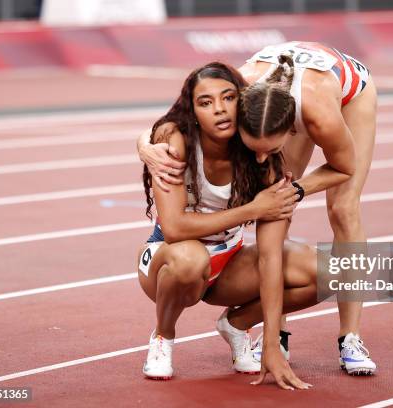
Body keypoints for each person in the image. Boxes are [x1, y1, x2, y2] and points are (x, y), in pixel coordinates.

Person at [138, 41, 378, 377]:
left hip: (344, 86)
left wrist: (292, 190)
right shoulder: (226, 101)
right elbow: (178, 114)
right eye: (256, 150)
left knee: (342, 215)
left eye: (273, 149)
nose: (262, 158)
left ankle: (344, 336)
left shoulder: (305, 123)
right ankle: (175, 336)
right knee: (222, 242)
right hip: (179, 255)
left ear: (289, 131)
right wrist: (146, 146)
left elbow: (343, 168)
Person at [137, 61, 317, 390]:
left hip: (228, 263)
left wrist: (273, 342)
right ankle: (163, 335)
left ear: (242, 101)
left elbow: (270, 255)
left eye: (228, 98)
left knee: (328, 272)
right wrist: (252, 208)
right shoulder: (174, 140)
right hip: (170, 258)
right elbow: (175, 228)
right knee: (190, 259)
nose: (219, 110)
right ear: (191, 110)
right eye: (205, 102)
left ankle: (237, 325)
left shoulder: (264, 157)